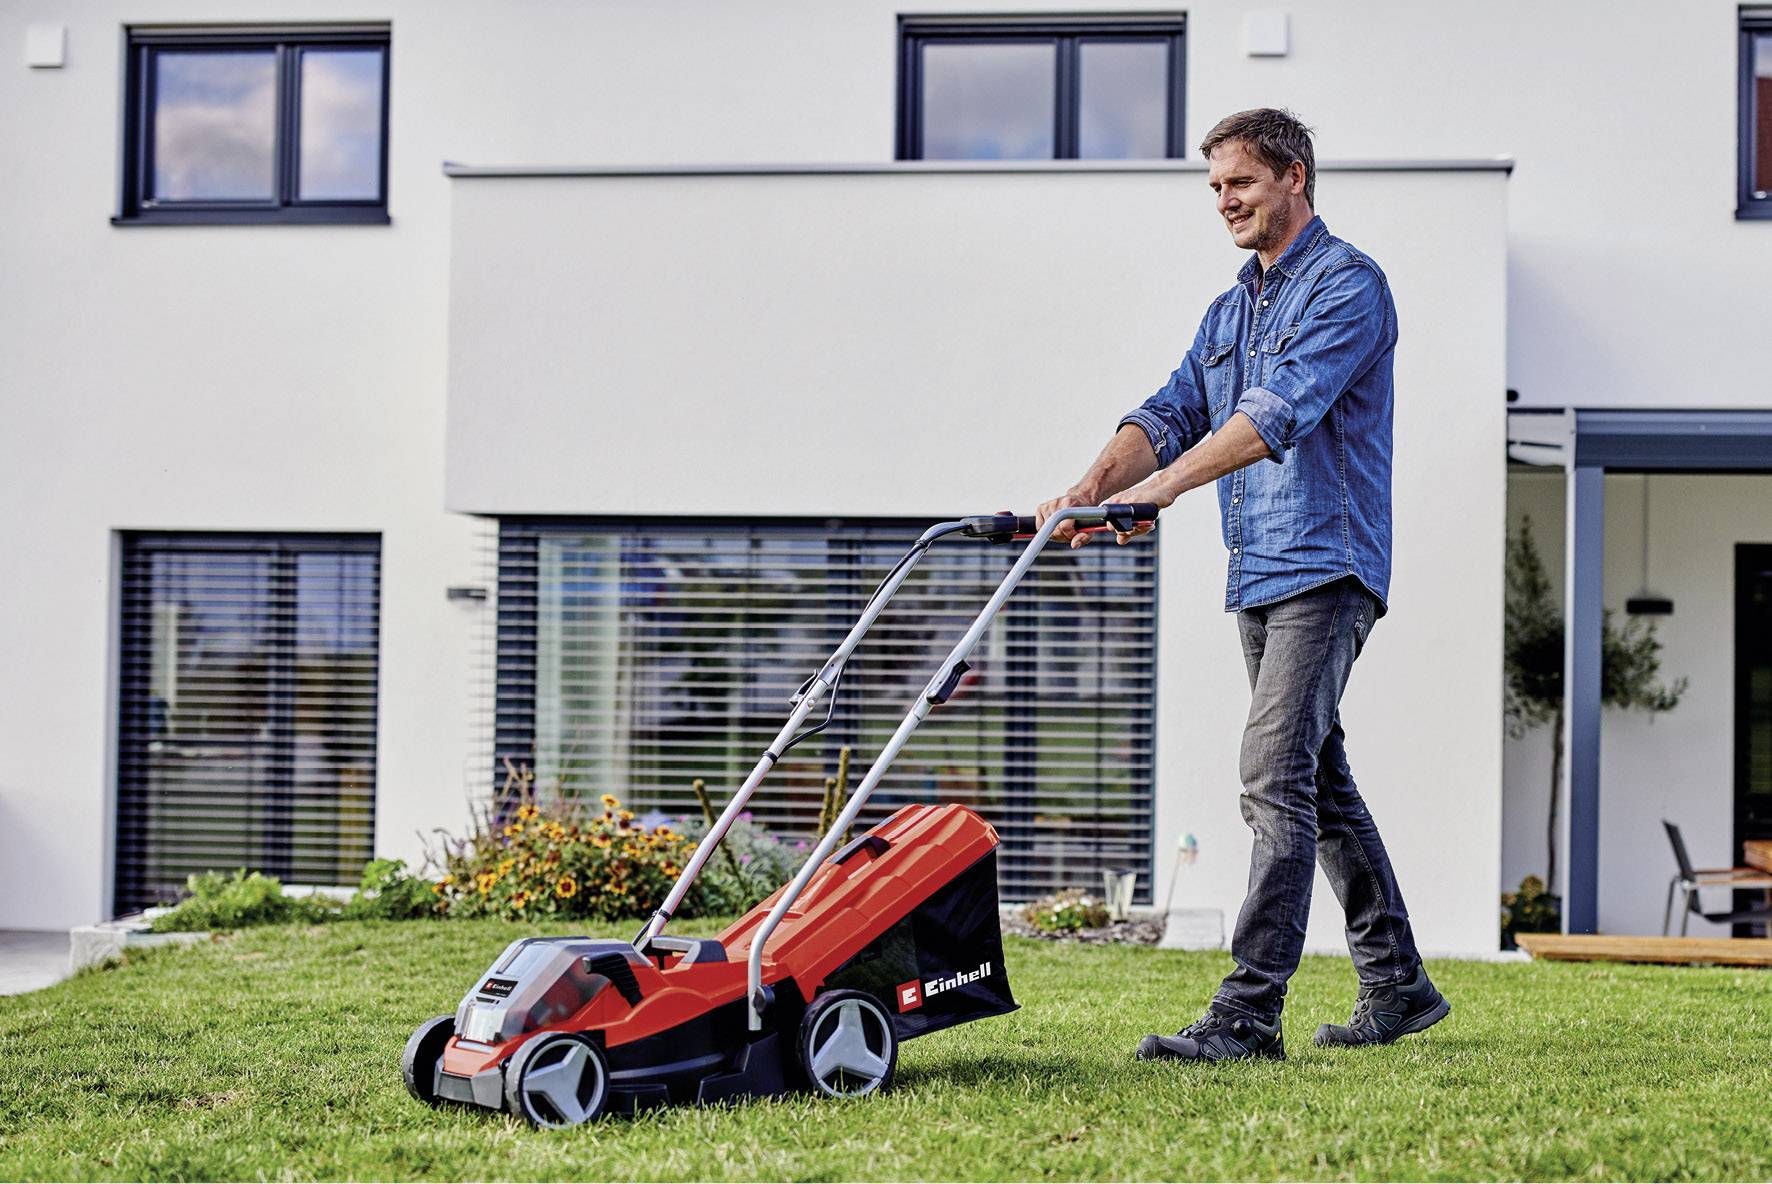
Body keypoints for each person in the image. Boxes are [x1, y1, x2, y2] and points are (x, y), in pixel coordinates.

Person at [1035, 108, 1448, 1062]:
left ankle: (1247, 1012)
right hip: (1256, 566)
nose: (1224, 201)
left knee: (1271, 776)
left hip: (1327, 562)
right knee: (1316, 778)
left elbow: (1276, 411)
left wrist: (1161, 491)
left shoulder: (1349, 286)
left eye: (1242, 183)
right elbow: (1172, 410)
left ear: (1294, 176)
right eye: (1216, 186)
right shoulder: (1230, 311)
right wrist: (1090, 488)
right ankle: (1398, 983)